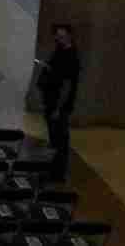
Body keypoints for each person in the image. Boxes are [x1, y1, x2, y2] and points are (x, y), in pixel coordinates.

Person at [37, 23, 81, 179]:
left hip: (59, 106)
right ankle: (53, 170)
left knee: (60, 141)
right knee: (54, 139)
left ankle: (57, 173)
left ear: (70, 36)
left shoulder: (71, 57)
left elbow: (67, 86)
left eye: (62, 36)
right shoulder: (60, 49)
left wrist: (57, 109)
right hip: (52, 103)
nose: (58, 38)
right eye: (57, 36)